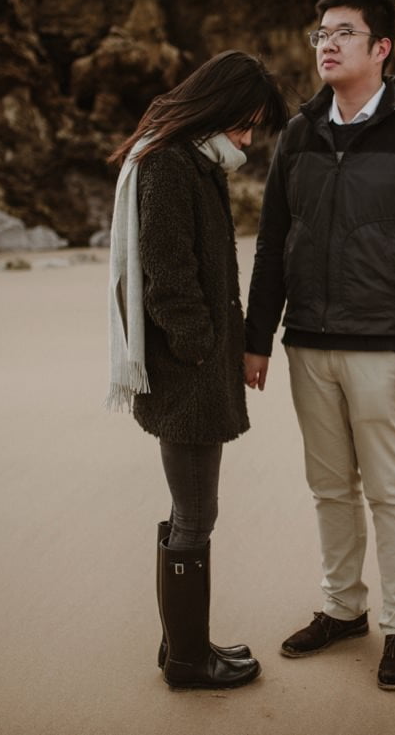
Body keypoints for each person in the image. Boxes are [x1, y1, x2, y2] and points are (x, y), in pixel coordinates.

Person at [244, 0, 395, 691]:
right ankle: (343, 609)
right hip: (307, 341)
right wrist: (257, 338)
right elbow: (273, 239)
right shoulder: (300, 132)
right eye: (320, 34)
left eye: (343, 33)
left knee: (392, 491)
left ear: (381, 48)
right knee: (329, 487)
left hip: (383, 347)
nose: (326, 44)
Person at [106, 50, 288, 691]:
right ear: (218, 107)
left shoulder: (192, 160)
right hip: (187, 374)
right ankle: (188, 660)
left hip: (193, 369)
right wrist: (200, 346)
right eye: (245, 123)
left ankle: (181, 645)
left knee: (191, 511)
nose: (247, 138)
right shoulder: (170, 165)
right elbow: (168, 273)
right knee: (195, 515)